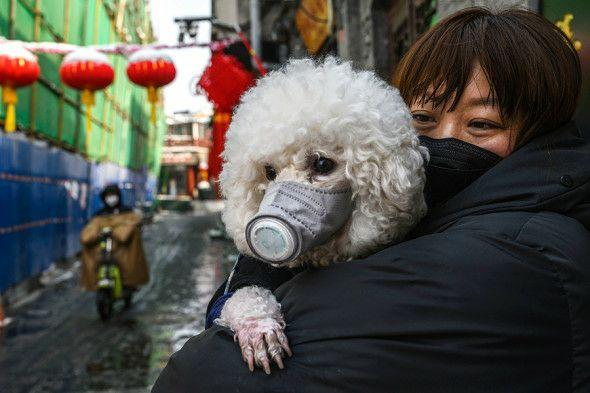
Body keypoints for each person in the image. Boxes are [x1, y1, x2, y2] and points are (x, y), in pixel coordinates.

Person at [152, 7, 589, 392]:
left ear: (542, 130)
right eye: (423, 118)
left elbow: (200, 374)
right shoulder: (428, 218)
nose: (446, 142)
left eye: (481, 125)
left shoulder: (515, 253)